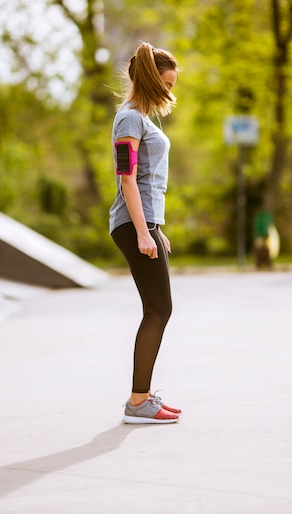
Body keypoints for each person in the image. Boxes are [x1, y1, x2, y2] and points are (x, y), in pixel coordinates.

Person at [109, 42, 181, 424]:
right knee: (159, 309)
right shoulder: (129, 120)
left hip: (145, 223)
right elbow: (128, 179)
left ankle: (143, 396)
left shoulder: (140, 119)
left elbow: (148, 183)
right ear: (152, 82)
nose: (171, 93)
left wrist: (156, 228)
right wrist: (142, 231)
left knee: (157, 308)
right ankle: (138, 402)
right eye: (167, 85)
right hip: (132, 224)